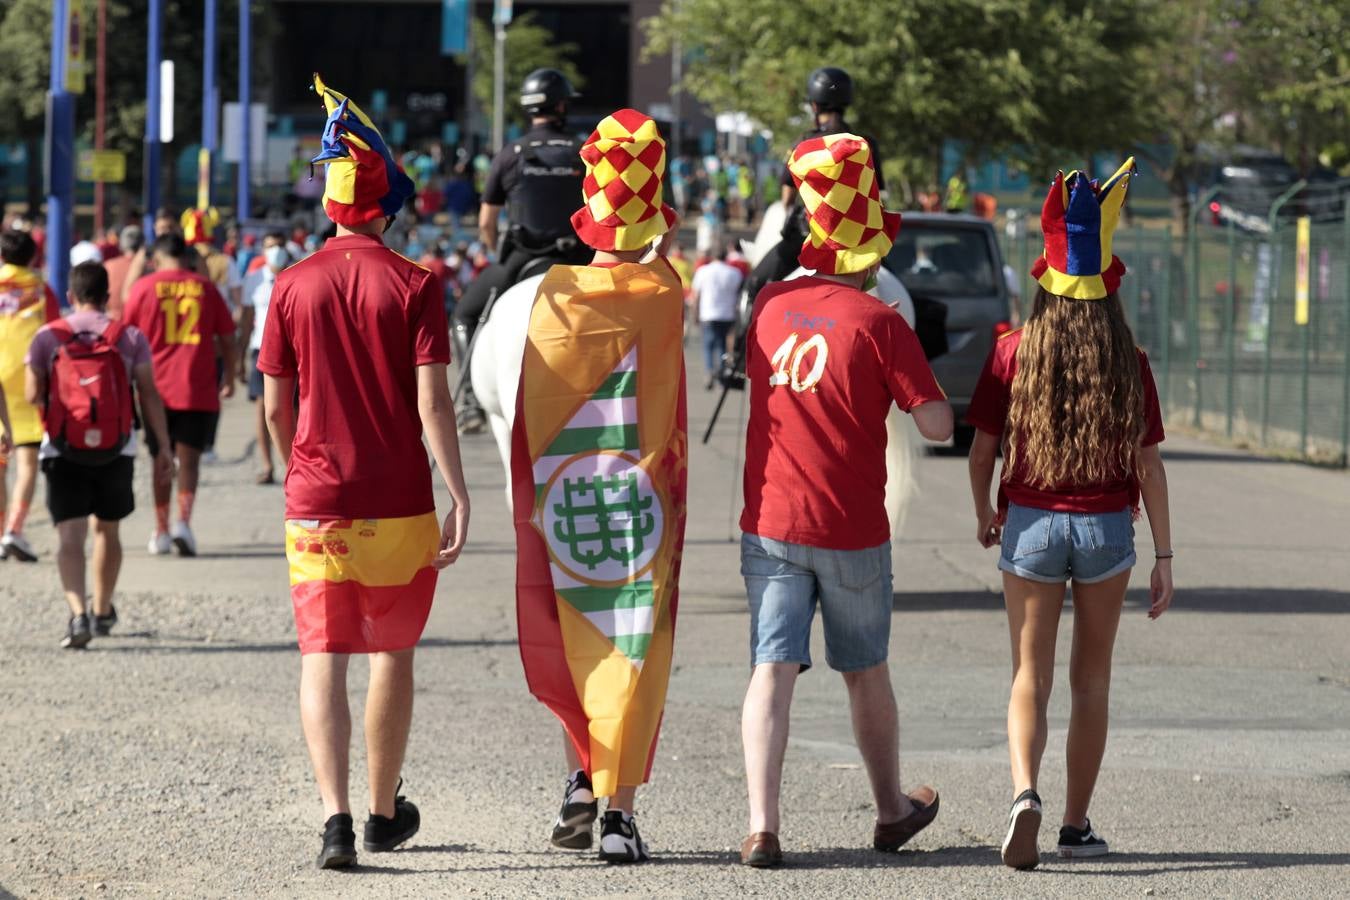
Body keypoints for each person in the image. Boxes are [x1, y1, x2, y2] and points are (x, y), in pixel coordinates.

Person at [260, 74, 471, 871]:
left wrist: (298, 471)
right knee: (391, 653)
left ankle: (336, 819)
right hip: (399, 499)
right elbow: (434, 406)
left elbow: (277, 408)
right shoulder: (417, 285)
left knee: (322, 655)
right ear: (387, 206)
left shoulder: (289, 285)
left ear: (330, 205)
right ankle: (386, 811)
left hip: (317, 496)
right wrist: (457, 490)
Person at [738, 133, 953, 869]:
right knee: (864, 671)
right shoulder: (882, 322)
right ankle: (891, 811)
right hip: (852, 526)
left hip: (770, 520)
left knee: (772, 668)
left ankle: (763, 827)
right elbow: (936, 423)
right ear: (869, 251)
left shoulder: (768, 303)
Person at [965, 158, 1174, 871]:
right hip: (1105, 529)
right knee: (1091, 681)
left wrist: (985, 513)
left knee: (1030, 673)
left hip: (1029, 520)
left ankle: (1025, 793)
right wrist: (1167, 557)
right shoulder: (1128, 358)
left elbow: (981, 452)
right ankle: (1076, 823)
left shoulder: (1011, 353)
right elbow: (1149, 464)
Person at [514, 109, 684, 865]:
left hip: (568, 501)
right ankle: (617, 813)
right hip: (641, 508)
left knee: (576, 627)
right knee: (635, 641)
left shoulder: (549, 296)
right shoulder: (664, 292)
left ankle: (580, 777)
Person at [24, 262, 172, 648]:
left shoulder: (47, 336)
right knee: (107, 529)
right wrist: (163, 446)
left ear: (71, 296)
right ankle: (103, 608)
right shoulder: (129, 336)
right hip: (116, 446)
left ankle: (78, 614)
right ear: (107, 297)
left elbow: (30, 394)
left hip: (62, 446)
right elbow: (148, 393)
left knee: (69, 535)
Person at [453, 68, 588, 435]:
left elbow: (486, 221)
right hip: (580, 259)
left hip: (523, 260)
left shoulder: (510, 154)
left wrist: (496, 251)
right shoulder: (583, 152)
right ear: (561, 105)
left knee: (465, 314)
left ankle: (469, 401)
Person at [121, 233, 238, 557]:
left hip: (153, 390)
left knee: (159, 458)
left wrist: (125, 385)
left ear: (155, 260)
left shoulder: (144, 289)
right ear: (187, 258)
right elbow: (227, 337)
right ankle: (183, 523)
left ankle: (160, 529)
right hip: (196, 385)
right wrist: (229, 376)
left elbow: (126, 340)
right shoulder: (205, 287)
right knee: (189, 460)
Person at [748, 67, 887, 302]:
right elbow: (879, 193)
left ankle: (747, 336)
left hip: (813, 233)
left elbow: (787, 199)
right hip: (862, 236)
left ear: (814, 105)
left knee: (756, 284)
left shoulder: (805, 142)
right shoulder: (865, 142)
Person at [0, 229, 60, 561]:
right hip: (29, 380)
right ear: (34, 257)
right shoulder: (40, 289)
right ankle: (15, 529)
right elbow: (53, 335)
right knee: (25, 459)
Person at [239, 241, 289, 484]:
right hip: (260, 349)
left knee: (295, 409)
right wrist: (240, 357)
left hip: (292, 350)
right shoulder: (254, 279)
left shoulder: (296, 275)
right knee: (265, 409)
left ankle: (291, 463)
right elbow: (247, 318)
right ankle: (268, 464)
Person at [690, 242, 743, 389]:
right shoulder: (734, 273)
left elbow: (697, 295)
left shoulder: (703, 271)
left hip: (708, 312)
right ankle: (720, 373)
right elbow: (738, 294)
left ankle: (709, 371)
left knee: (708, 344)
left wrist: (695, 313)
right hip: (727, 313)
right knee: (722, 345)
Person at [104, 225, 144, 318]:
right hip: (138, 322)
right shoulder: (150, 268)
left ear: (121, 245)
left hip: (113, 321)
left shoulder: (108, 266)